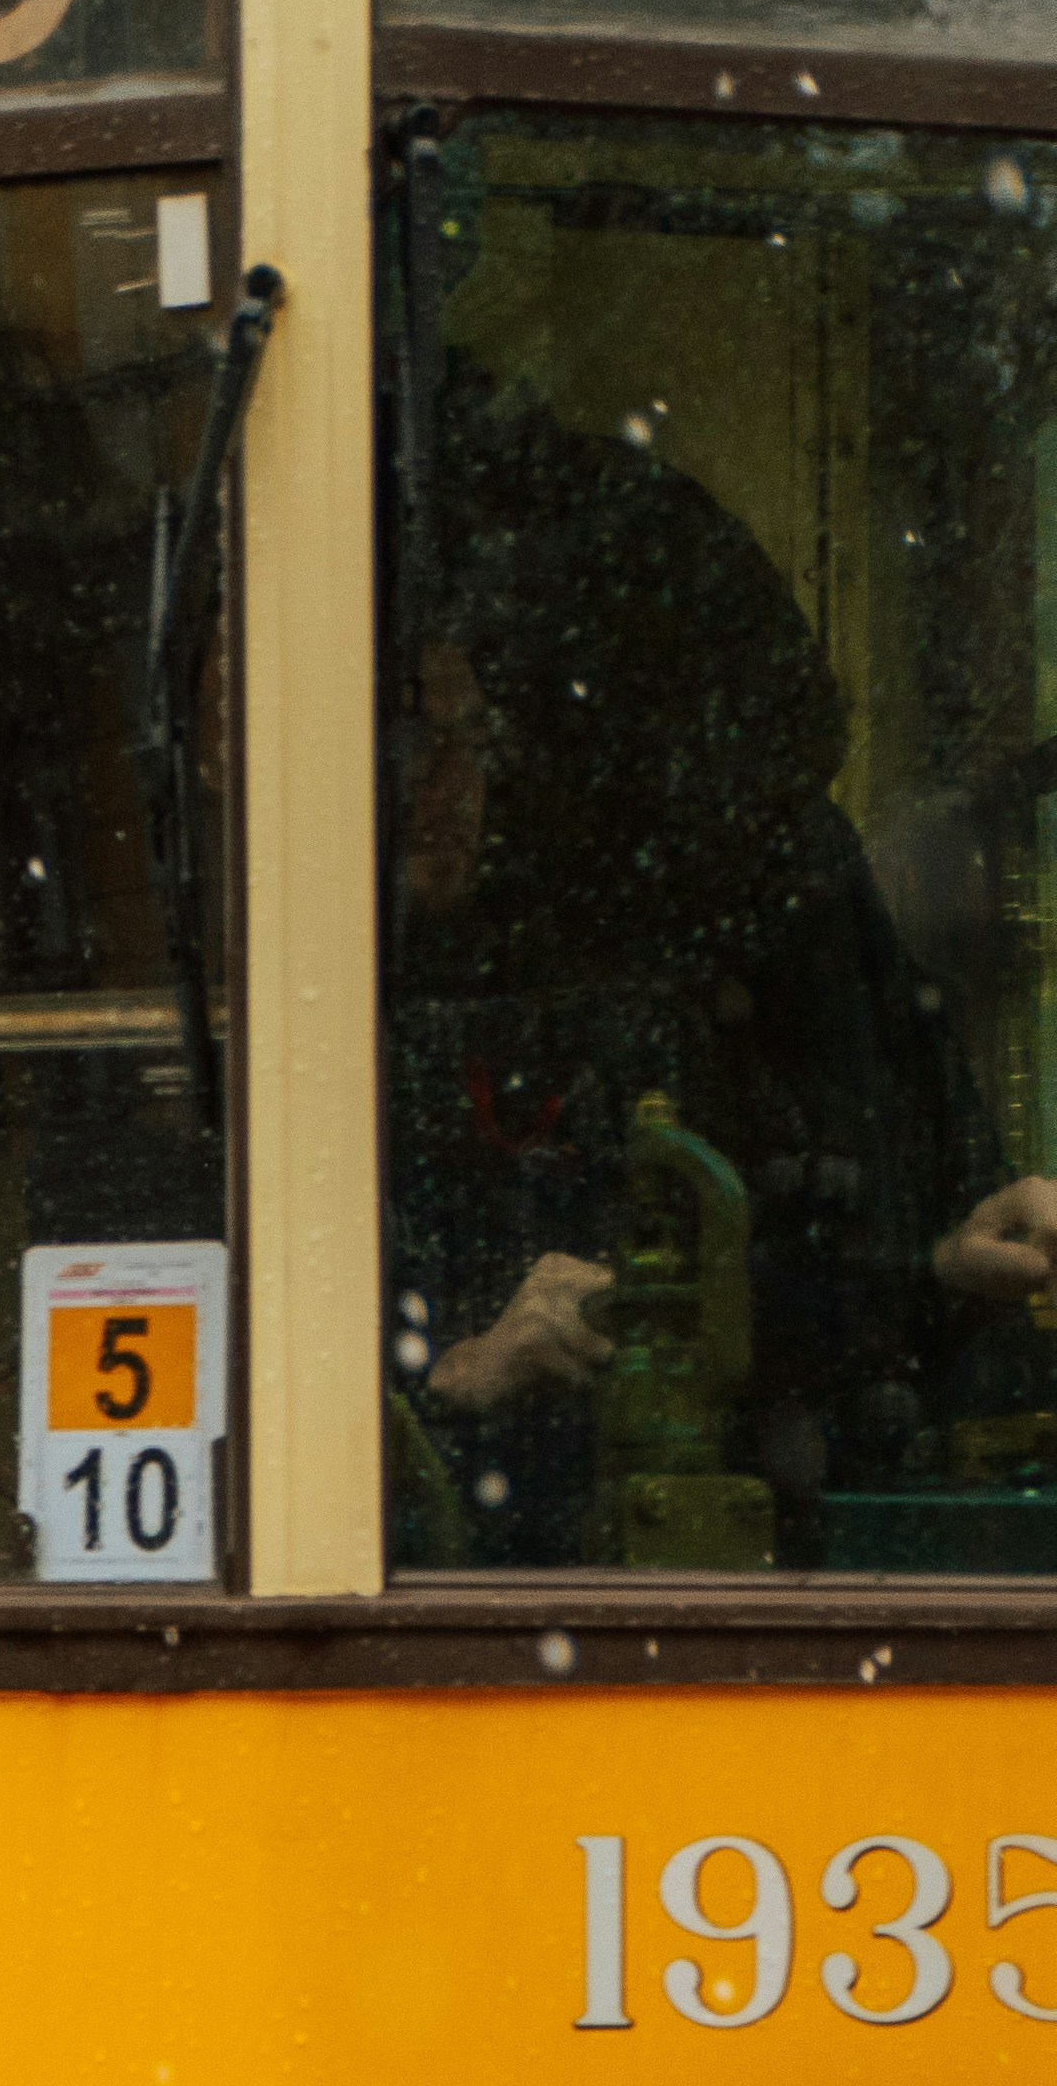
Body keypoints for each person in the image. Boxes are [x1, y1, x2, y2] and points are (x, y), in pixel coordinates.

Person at [385, 366, 1057, 1564]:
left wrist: (973, 1253)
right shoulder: (354, 975)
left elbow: (870, 1256)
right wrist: (460, 1369)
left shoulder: (790, 895)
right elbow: (259, 1437)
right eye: (431, 745)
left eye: (468, 741)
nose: (450, 786)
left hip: (808, 1571)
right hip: (488, 1600)